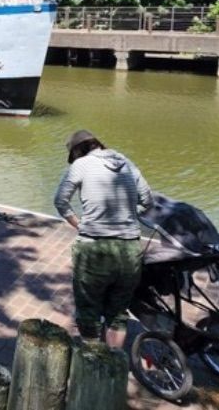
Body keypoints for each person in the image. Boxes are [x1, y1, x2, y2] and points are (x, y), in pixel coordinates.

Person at [54, 130, 153, 347]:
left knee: (88, 310)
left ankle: (91, 363)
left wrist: (79, 224)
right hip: (129, 250)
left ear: (78, 151)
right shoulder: (127, 163)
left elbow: (60, 201)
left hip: (94, 248)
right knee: (118, 313)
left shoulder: (81, 165)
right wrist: (125, 212)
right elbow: (147, 200)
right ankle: (111, 362)